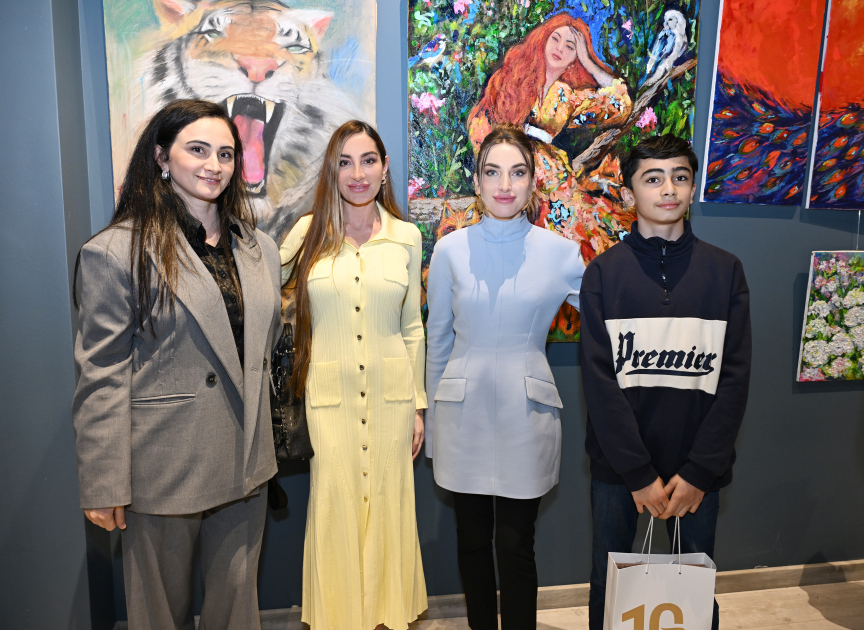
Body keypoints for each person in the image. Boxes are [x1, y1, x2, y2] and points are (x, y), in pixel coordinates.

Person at [72, 99, 282, 630]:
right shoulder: (117, 252)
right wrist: (103, 482)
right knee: (158, 616)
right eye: (198, 150)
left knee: (237, 613)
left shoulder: (260, 248)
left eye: (226, 154)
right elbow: (102, 376)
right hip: (164, 465)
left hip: (246, 460)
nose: (214, 165)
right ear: (162, 157)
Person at [579, 134, 752, 630]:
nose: (668, 189)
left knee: (693, 591)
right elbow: (600, 384)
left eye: (680, 177)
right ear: (629, 193)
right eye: (652, 178)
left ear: (693, 187)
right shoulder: (603, 274)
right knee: (610, 587)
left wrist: (700, 471)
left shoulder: (726, 271)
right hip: (620, 469)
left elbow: (734, 379)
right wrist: (637, 473)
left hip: (698, 471)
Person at [425, 124, 586, 630]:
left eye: (517, 173)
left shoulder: (559, 252)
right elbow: (438, 341)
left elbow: (610, 312)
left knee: (516, 545)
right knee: (471, 542)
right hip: (462, 416)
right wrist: (431, 423)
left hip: (527, 415)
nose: (504, 185)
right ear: (476, 182)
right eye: (492, 172)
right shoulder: (450, 250)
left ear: (533, 182)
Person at [279, 120, 428, 630]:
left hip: (392, 399)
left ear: (384, 168)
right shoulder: (307, 233)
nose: (357, 173)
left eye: (368, 160)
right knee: (335, 506)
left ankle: (385, 617)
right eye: (345, 162)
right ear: (332, 171)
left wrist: (418, 404)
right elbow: (265, 289)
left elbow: (412, 327)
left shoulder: (406, 237)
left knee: (388, 505)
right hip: (329, 399)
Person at [467, 12, 635, 265]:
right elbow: (479, 122)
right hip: (511, 171)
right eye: (555, 39)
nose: (560, 49)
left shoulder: (567, 95)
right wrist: (494, 164)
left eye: (570, 46)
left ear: (575, 57)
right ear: (542, 40)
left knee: (578, 234)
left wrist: (588, 62)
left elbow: (620, 106)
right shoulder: (513, 79)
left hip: (551, 177)